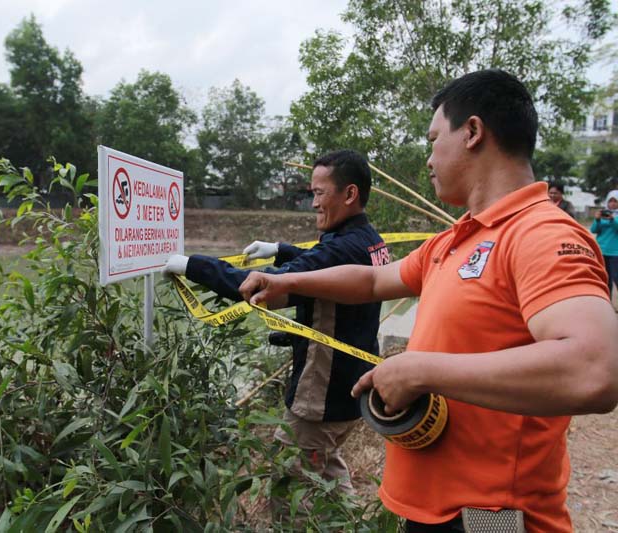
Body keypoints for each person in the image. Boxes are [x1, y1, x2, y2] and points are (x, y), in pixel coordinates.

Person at [238, 70, 618, 533]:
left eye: (434, 139)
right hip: (431, 509)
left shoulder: (540, 233)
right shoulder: (456, 239)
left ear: (473, 132)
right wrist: (291, 283)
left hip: (490, 518)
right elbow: (376, 279)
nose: (429, 159)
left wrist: (421, 370)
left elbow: (595, 368)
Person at [163, 150, 388, 496]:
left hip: (322, 397)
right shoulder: (369, 240)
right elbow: (323, 264)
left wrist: (192, 265)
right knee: (325, 473)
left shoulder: (342, 249)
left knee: (289, 488)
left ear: (349, 194)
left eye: (318, 193)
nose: (312, 203)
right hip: (348, 387)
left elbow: (258, 287)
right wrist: (281, 249)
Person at [591, 189, 618, 299]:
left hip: (615, 252)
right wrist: (597, 220)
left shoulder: (615, 217)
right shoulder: (602, 214)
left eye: (615, 201)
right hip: (601, 250)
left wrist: (612, 220)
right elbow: (593, 230)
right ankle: (608, 301)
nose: (612, 203)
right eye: (610, 201)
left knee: (616, 277)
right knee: (605, 278)